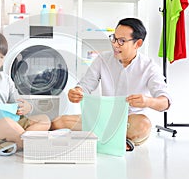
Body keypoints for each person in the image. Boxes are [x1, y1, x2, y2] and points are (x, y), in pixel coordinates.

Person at [51, 18, 171, 151]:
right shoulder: (103, 59)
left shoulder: (149, 66)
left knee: (143, 125)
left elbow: (165, 102)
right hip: (103, 118)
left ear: (137, 43)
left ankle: (101, 138)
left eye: (121, 41)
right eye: (114, 38)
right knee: (58, 122)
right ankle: (114, 141)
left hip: (129, 122)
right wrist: (77, 91)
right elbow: (85, 85)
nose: (115, 44)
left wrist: (147, 101)